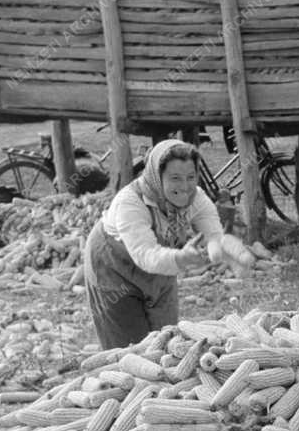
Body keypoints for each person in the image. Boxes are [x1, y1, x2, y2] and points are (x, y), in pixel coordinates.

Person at [84, 139, 227, 348]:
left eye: (191, 177)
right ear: (157, 177)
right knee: (130, 350)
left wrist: (215, 247)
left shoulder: (195, 197)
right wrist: (181, 258)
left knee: (166, 342)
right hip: (114, 269)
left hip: (161, 268)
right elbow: (146, 254)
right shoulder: (130, 203)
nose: (185, 187)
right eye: (175, 178)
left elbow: (211, 227)